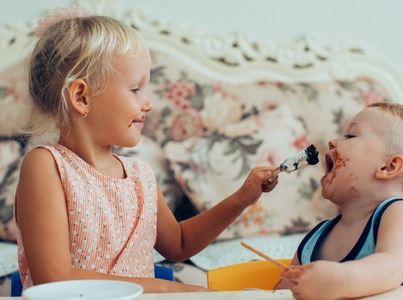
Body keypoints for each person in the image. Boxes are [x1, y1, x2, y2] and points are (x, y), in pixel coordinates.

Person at [14, 4, 279, 294]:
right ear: (82, 97)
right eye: (136, 88)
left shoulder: (140, 176)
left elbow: (178, 245)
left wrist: (242, 198)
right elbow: (54, 279)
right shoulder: (47, 166)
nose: (148, 103)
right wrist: (164, 290)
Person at [276, 102, 403, 300]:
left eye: (350, 136)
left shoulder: (397, 212)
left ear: (389, 166)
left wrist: (339, 280)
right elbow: (280, 294)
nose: (333, 141)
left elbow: (391, 266)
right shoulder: (314, 239)